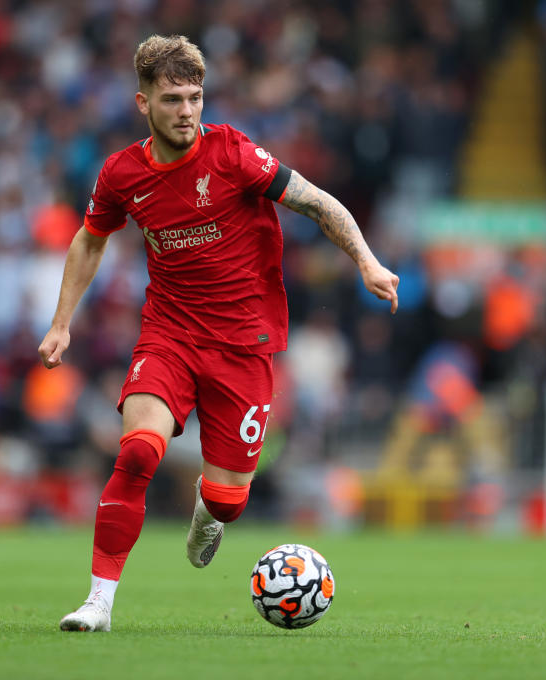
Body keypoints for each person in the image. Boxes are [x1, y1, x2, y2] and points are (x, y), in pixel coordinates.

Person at [38, 35, 399, 633]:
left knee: (230, 500)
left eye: (195, 97)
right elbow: (90, 238)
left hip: (243, 344)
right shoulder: (123, 173)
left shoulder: (233, 155)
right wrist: (60, 324)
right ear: (143, 103)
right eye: (173, 98)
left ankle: (211, 511)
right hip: (170, 335)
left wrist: (365, 260)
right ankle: (98, 602)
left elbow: (316, 202)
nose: (186, 110)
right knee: (136, 453)